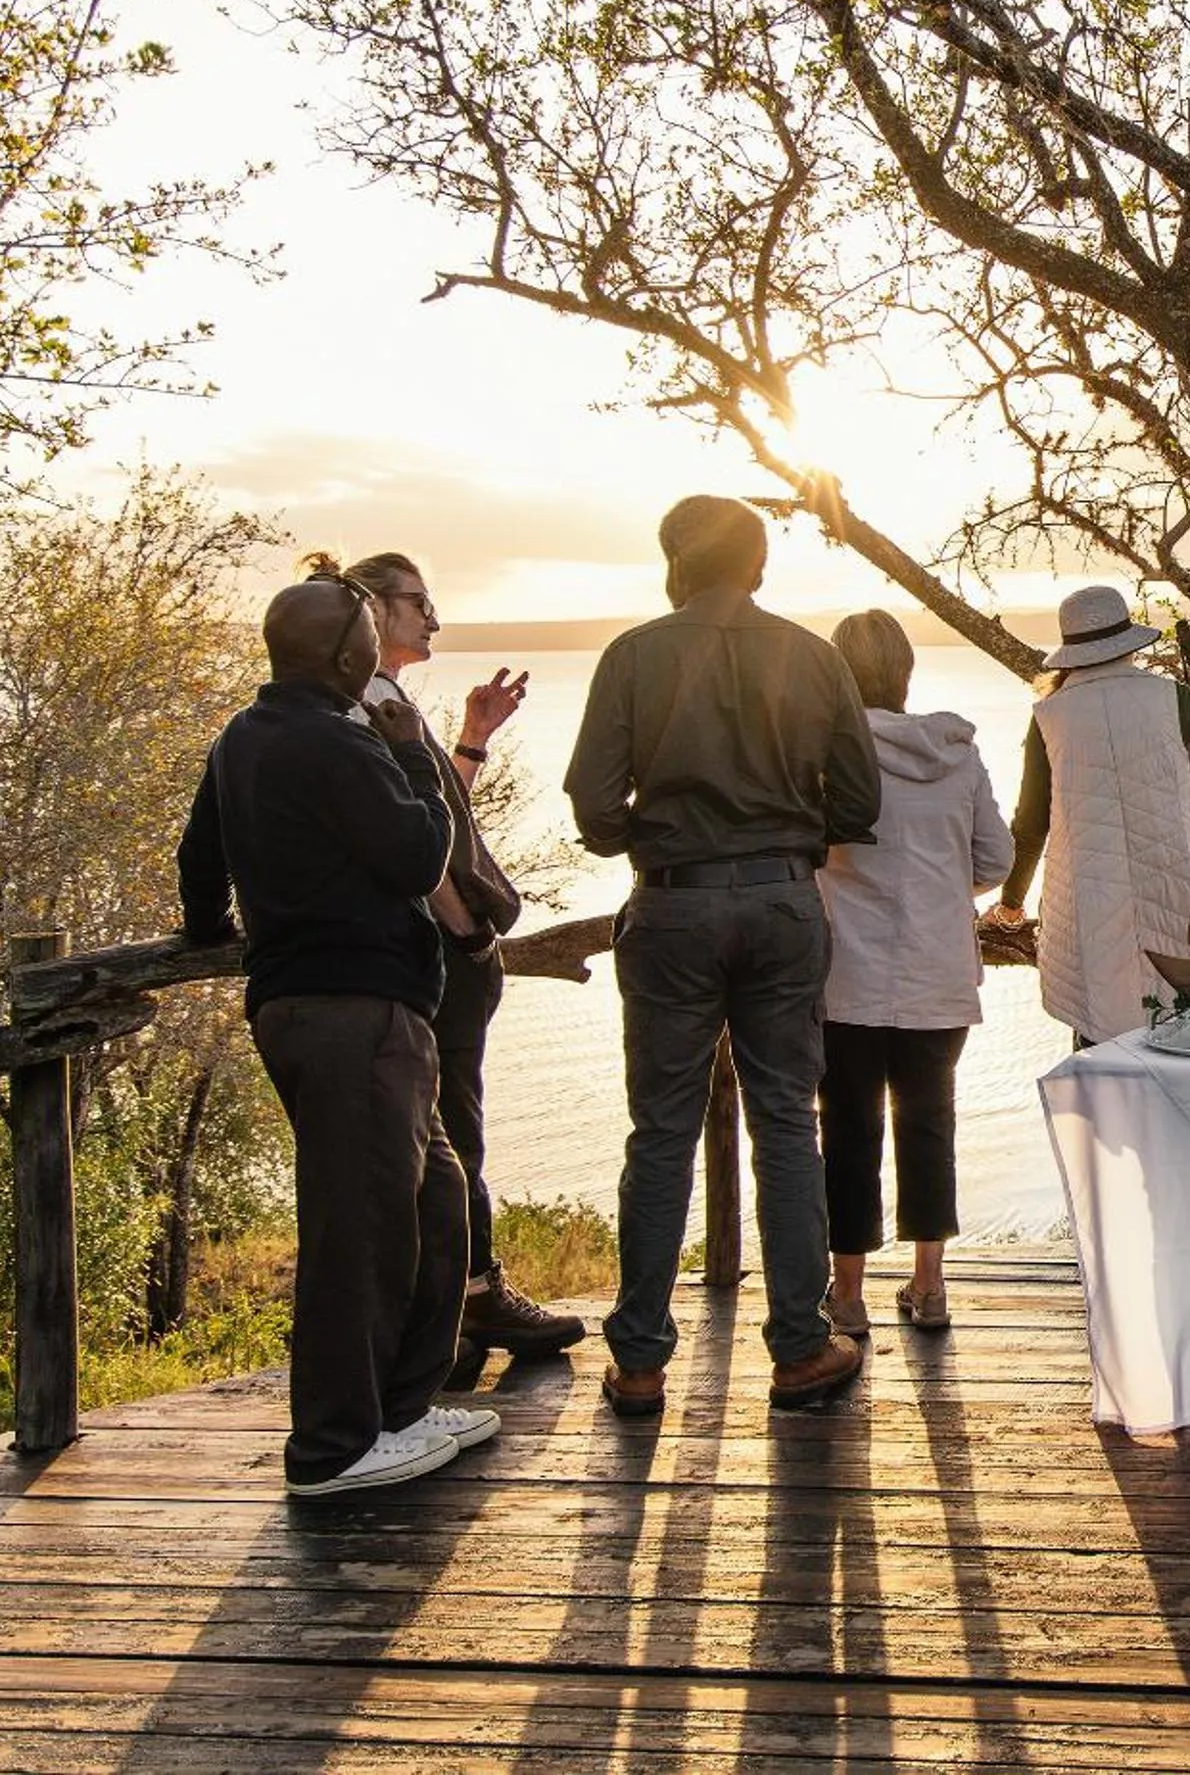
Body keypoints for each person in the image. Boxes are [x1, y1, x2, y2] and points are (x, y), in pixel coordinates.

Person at [176, 570, 497, 1494]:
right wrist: (412, 758)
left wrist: (213, 935)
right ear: (351, 655)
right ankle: (332, 1445)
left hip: (309, 1003)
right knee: (356, 1230)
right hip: (355, 1009)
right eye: (365, 634)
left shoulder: (243, 737)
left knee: (434, 1204)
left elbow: (200, 861)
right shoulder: (342, 742)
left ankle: (400, 1406)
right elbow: (414, 857)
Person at [565, 496, 882, 1419]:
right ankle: (796, 1348)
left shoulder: (633, 655)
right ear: (759, 563)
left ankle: (638, 1364)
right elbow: (859, 805)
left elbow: (591, 802)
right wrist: (782, 840)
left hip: (671, 903)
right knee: (786, 1120)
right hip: (783, 903)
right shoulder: (814, 657)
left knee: (659, 1131)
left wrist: (658, 838)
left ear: (675, 560)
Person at [314, 549, 586, 1363]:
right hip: (434, 951)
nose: (433, 619)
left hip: (439, 951)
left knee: (445, 1126)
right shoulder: (363, 706)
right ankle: (470, 1300)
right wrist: (468, 931)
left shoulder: (389, 702)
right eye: (417, 603)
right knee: (445, 1132)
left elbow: (434, 818)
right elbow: (408, 850)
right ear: (371, 610)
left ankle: (454, 1305)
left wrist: (470, 740)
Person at [815, 611, 1014, 1337]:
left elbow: (803, 848)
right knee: (929, 1124)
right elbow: (993, 858)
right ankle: (928, 1286)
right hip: (938, 972)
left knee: (847, 1129)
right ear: (905, 672)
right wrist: (938, 886)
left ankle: (846, 1296)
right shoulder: (955, 752)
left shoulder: (827, 754)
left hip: (846, 976)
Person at [983, 585, 1190, 1046]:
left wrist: (1011, 904)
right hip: (1175, 889)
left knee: (1100, 1033)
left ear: (1070, 652)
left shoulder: (1050, 714)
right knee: (1187, 1029)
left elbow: (1030, 825)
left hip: (1088, 901)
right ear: (1129, 641)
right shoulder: (1170, 697)